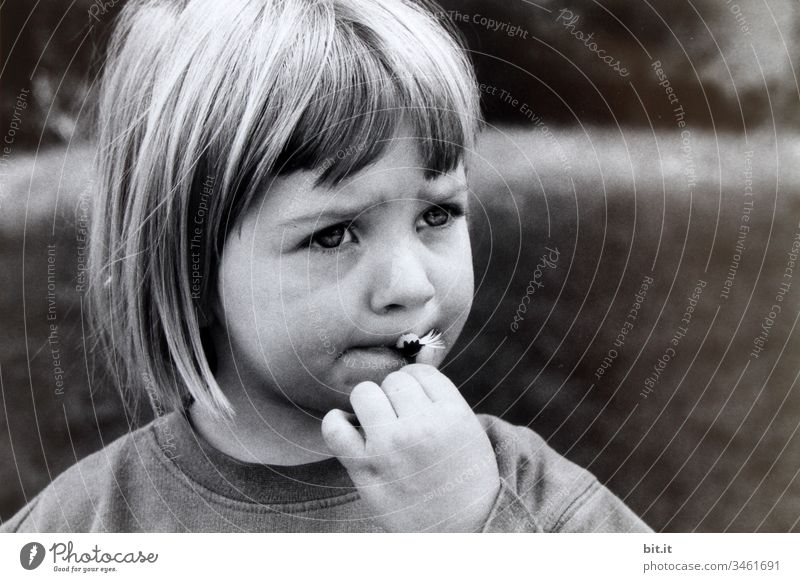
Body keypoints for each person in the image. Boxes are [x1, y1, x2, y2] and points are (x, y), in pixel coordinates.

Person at [1, 0, 651, 533]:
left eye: (437, 216)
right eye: (334, 234)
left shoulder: (528, 496)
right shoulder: (85, 528)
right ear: (186, 271)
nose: (411, 286)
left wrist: (472, 532)